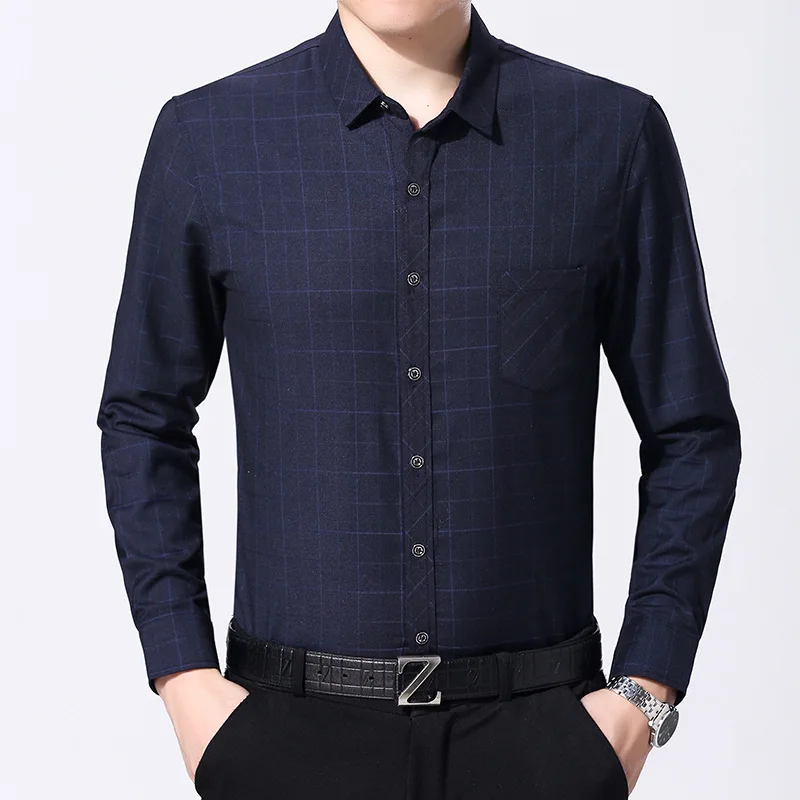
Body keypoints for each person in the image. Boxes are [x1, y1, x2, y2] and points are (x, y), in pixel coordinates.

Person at [96, 1, 742, 798]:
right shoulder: (209, 138)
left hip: (540, 742)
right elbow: (143, 417)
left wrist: (645, 689)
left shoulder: (609, 134)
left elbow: (692, 432)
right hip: (286, 739)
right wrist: (185, 678)